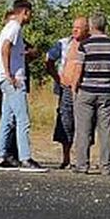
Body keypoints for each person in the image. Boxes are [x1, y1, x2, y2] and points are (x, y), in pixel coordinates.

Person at [0, 0, 47, 173]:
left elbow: (12, 49)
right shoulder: (15, 27)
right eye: (30, 13)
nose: (30, 17)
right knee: (23, 120)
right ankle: (25, 158)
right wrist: (9, 73)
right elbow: (6, 48)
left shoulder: (9, 27)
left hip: (7, 79)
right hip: (14, 80)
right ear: (24, 12)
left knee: (7, 120)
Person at [70, 12, 110, 175]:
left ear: (91, 26)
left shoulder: (84, 46)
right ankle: (106, 165)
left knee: (83, 129)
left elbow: (79, 70)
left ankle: (82, 165)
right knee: (105, 129)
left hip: (87, 91)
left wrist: (74, 87)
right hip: (107, 91)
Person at [45, 17, 89, 169]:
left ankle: (82, 159)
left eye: (79, 27)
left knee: (84, 123)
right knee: (65, 121)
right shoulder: (64, 43)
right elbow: (48, 58)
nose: (75, 30)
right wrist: (57, 78)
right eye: (73, 27)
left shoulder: (90, 44)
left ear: (87, 29)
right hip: (66, 89)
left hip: (84, 90)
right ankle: (66, 158)